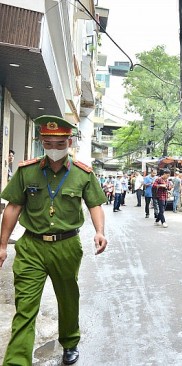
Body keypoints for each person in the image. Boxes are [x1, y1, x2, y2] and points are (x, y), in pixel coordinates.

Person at [0, 115, 107, 365]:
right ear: (41, 142)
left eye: (60, 144)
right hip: (31, 247)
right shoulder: (27, 171)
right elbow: (13, 207)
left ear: (69, 142)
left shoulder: (83, 174)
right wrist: (2, 244)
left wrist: (99, 231)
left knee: (68, 298)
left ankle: (70, 341)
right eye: (49, 143)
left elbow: (95, 204)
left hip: (67, 245)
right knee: (25, 307)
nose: (54, 149)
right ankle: (16, 361)